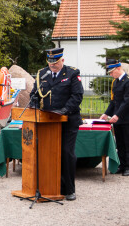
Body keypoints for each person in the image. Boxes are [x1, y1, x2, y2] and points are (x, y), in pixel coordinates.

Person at [30, 48, 83, 201]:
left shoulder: (72, 73)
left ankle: (68, 189)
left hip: (68, 120)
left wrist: (64, 110)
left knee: (66, 152)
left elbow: (77, 96)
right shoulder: (42, 74)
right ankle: (49, 186)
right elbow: (35, 93)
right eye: (50, 63)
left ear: (62, 61)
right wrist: (33, 103)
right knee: (47, 152)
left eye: (56, 62)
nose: (53, 65)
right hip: (47, 121)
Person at [100, 59, 129, 176]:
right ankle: (122, 165)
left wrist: (117, 115)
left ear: (118, 68)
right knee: (120, 143)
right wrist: (106, 113)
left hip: (126, 118)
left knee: (127, 143)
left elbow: (127, 101)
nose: (111, 75)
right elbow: (114, 101)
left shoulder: (127, 81)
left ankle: (128, 167)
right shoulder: (115, 82)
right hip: (117, 118)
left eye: (112, 72)